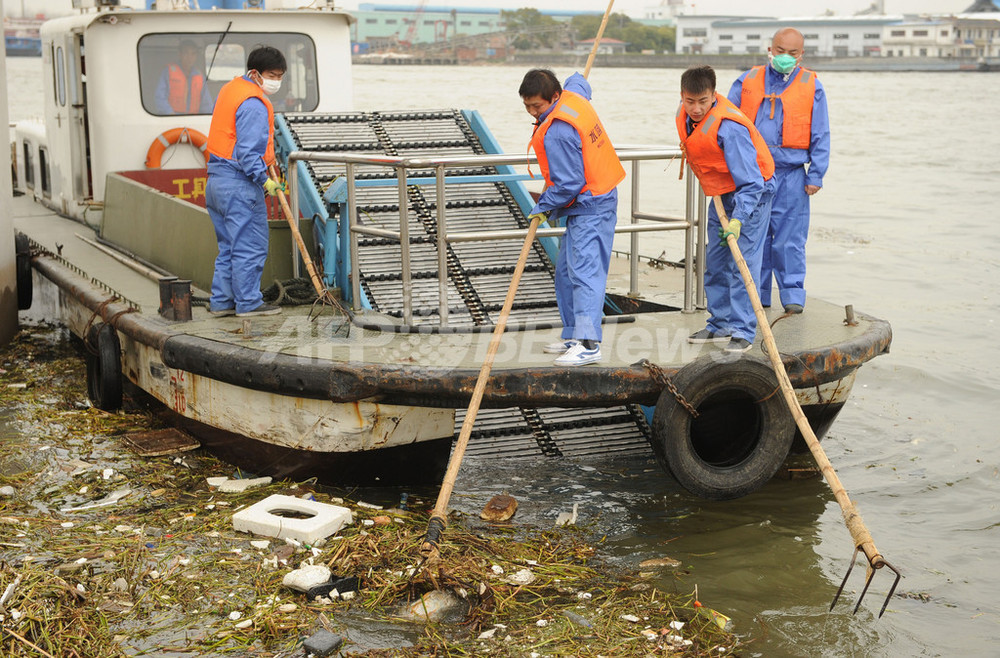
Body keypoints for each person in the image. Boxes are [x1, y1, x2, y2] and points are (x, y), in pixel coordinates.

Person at [520, 69, 625, 367]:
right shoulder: (573, 95)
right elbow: (579, 81)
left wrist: (543, 207)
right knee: (566, 272)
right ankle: (573, 334)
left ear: (554, 97)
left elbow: (568, 184)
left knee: (584, 273)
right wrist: (578, 75)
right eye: (527, 107)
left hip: (593, 204)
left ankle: (589, 344)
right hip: (586, 202)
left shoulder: (558, 132)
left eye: (537, 107)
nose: (532, 112)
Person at [727, 28, 830, 314]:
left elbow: (821, 132)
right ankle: (757, 292)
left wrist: (816, 174)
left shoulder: (812, 85)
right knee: (753, 235)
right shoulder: (747, 79)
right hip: (753, 173)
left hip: (793, 173)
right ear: (770, 49)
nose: (785, 57)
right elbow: (726, 120)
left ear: (802, 55)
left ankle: (792, 292)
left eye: (792, 53)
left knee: (790, 238)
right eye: (780, 50)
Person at [677, 66, 775, 353]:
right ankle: (720, 323)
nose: (696, 109)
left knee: (741, 261)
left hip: (752, 195)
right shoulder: (687, 114)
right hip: (722, 193)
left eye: (702, 102)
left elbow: (752, 183)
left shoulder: (729, 128)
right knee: (716, 259)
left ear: (713, 96)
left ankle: (743, 329)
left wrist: (739, 219)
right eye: (689, 102)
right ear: (682, 96)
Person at [204, 46, 287, 318]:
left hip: (216, 182)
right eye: (272, 75)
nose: (277, 81)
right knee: (249, 246)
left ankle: (222, 302)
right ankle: (249, 303)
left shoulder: (231, 90)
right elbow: (248, 153)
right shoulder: (253, 104)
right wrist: (266, 181)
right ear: (256, 73)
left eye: (281, 75)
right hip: (239, 186)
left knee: (228, 246)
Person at [154, 40, 214, 115]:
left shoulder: (200, 77)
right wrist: (170, 114)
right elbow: (160, 97)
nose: (189, 57)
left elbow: (206, 104)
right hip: (170, 118)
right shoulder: (168, 72)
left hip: (194, 119)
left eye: (193, 54)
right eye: (186, 53)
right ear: (180, 54)